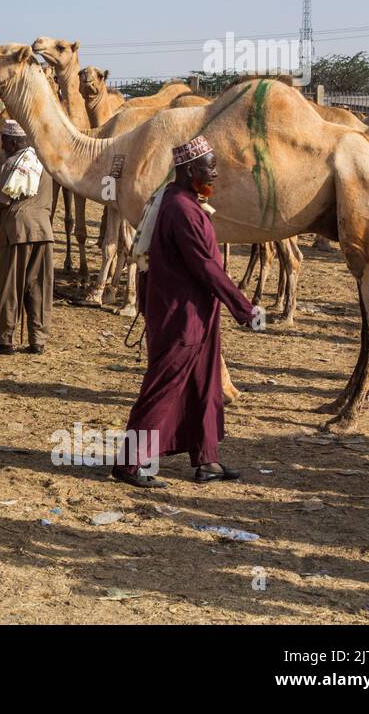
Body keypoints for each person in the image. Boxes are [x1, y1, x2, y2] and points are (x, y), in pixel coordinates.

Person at [112, 137, 261, 489]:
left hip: (196, 313)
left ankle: (207, 459)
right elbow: (206, 267)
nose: (215, 173)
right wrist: (245, 308)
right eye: (210, 167)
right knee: (163, 387)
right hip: (183, 315)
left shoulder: (178, 200)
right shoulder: (182, 209)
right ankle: (128, 464)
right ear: (190, 170)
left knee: (205, 385)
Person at [0, 121, 53, 354]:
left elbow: (4, 200)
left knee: (10, 286)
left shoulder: (12, 164)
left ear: (15, 142)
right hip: (43, 231)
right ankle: (38, 340)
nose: (2, 145)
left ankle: (5, 340)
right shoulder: (43, 165)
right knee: (38, 286)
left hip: (16, 231)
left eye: (5, 140)